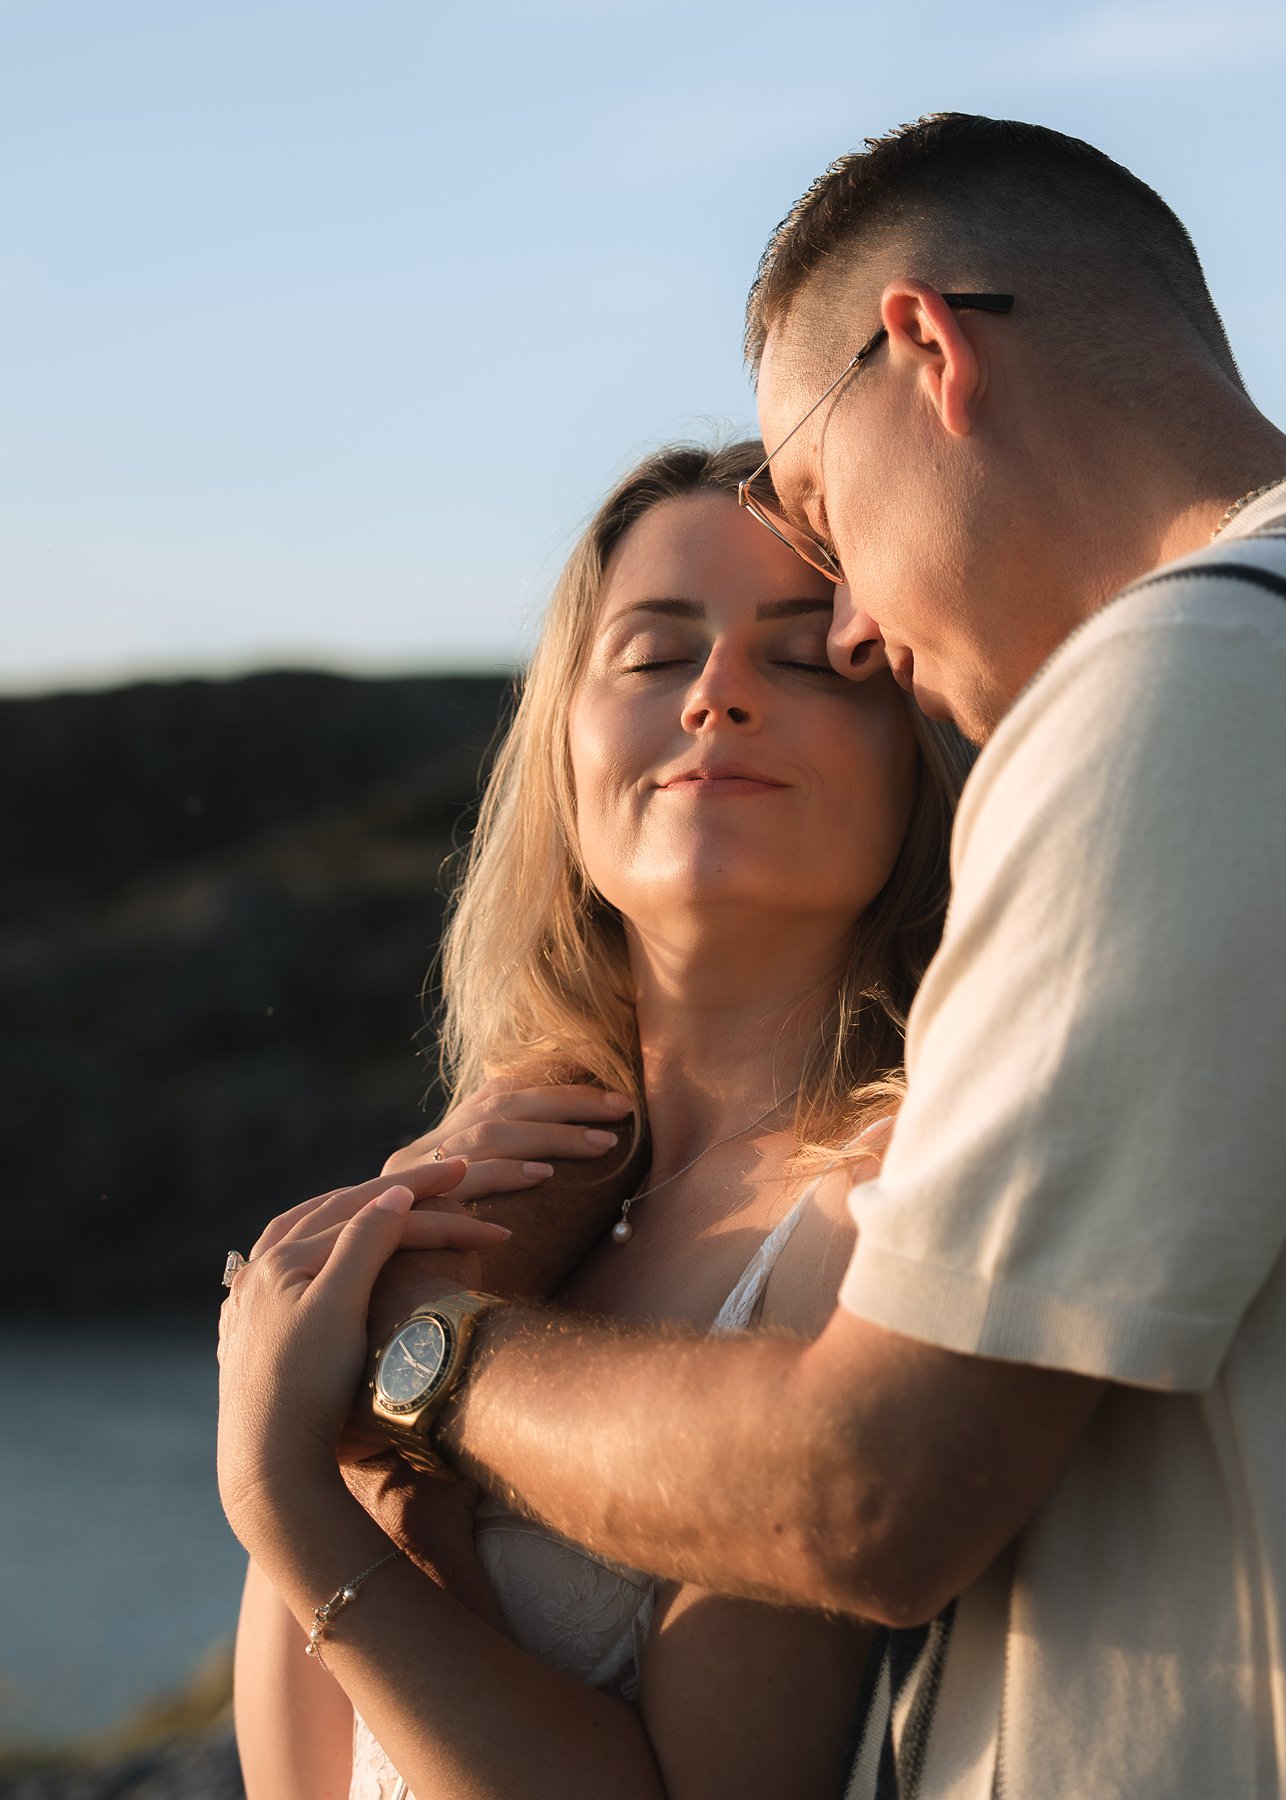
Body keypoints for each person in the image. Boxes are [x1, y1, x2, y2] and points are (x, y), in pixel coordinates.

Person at [262, 114, 1286, 1797]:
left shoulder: (1192, 672)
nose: (864, 624)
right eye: (649, 653)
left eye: (816, 510)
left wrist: (405, 1358)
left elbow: (862, 1494)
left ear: (927, 351)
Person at [219, 440, 971, 1799]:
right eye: (650, 655)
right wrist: (384, 1410)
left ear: (918, 757)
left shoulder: (877, 1204)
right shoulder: (492, 1191)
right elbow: (306, 1779)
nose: (716, 698)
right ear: (563, 747)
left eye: (807, 659)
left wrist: (291, 1489)